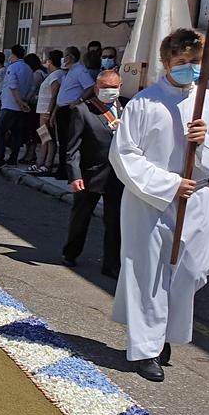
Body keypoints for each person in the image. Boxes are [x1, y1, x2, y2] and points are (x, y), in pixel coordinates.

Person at [109, 28, 209, 382]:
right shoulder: (144, 103)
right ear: (166, 63)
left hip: (195, 197)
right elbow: (124, 155)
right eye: (182, 62)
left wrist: (204, 142)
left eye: (195, 62)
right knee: (148, 272)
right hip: (150, 200)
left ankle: (163, 331)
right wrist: (169, 184)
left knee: (193, 270)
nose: (190, 69)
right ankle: (147, 348)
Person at [63, 70, 125, 279]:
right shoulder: (83, 111)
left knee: (114, 221)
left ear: (120, 87)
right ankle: (71, 252)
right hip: (90, 175)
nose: (110, 92)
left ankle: (111, 264)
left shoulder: (127, 108)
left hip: (118, 176)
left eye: (114, 87)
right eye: (105, 88)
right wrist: (74, 175)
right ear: (97, 88)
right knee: (81, 217)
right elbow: (72, 148)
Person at [0, 45, 32, 172]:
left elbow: (13, 86)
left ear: (13, 54)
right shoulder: (28, 68)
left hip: (10, 105)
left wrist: (19, 101)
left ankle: (0, 159)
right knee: (16, 134)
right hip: (21, 106)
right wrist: (25, 101)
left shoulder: (12, 68)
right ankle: (13, 159)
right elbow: (33, 87)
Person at [27, 49, 67, 176]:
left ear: (50, 61)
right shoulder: (53, 74)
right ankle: (40, 162)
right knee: (44, 137)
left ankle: (48, 164)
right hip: (42, 110)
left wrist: (49, 112)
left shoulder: (57, 75)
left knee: (49, 138)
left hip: (46, 111)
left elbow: (54, 96)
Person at [55, 46, 92, 180]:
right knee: (63, 141)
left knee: (68, 141)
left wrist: (78, 101)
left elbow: (90, 87)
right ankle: (62, 169)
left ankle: (68, 171)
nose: (63, 59)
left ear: (70, 57)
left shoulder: (80, 70)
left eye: (65, 56)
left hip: (70, 110)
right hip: (62, 109)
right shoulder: (69, 72)